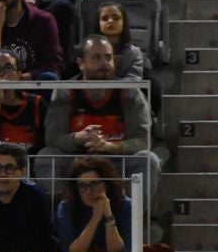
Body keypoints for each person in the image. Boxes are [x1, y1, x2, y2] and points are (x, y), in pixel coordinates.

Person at [46, 45, 158, 215]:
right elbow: (53, 138)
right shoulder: (65, 91)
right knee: (46, 156)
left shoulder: (130, 92)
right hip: (76, 162)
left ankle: (130, 219)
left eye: (108, 57)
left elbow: (143, 140)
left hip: (116, 163)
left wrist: (107, 146)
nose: (104, 63)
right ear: (81, 63)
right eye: (96, 58)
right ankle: (62, 218)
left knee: (148, 159)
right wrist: (79, 138)